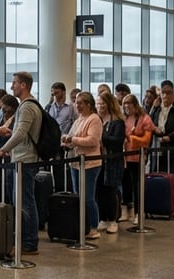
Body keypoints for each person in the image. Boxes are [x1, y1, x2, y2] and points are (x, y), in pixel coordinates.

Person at [0, 72, 41, 255]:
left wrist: (2, 150)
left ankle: (29, 242)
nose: (11, 87)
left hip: (24, 160)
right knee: (22, 201)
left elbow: (21, 133)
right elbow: (22, 133)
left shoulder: (27, 107)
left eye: (14, 83)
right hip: (23, 158)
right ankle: (24, 240)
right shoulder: (28, 105)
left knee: (25, 202)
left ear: (23, 85)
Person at [62, 91, 102, 240]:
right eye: (76, 103)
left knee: (88, 197)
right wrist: (66, 141)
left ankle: (93, 226)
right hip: (76, 162)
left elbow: (93, 140)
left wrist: (72, 139)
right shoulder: (79, 119)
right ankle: (82, 224)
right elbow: (72, 136)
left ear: (88, 104)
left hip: (90, 164)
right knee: (78, 196)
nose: (77, 106)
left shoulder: (94, 119)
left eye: (80, 103)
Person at [96, 91, 126, 234]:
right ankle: (103, 218)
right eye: (98, 103)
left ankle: (113, 219)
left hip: (113, 162)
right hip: (99, 160)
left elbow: (118, 140)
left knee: (111, 190)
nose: (100, 106)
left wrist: (102, 138)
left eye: (102, 103)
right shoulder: (97, 120)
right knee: (100, 190)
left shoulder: (118, 122)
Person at [121, 95, 154, 225]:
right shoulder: (123, 118)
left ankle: (139, 212)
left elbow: (146, 140)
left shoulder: (145, 118)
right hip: (124, 157)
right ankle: (126, 210)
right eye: (125, 104)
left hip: (138, 157)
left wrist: (133, 138)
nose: (127, 106)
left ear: (135, 104)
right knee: (125, 184)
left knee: (137, 185)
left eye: (129, 103)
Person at [150, 80, 174, 193]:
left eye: (169, 93)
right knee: (156, 173)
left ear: (173, 94)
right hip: (157, 146)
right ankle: (157, 195)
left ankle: (171, 197)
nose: (165, 95)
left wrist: (170, 137)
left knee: (172, 173)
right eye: (163, 93)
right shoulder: (156, 109)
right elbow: (149, 122)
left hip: (173, 146)